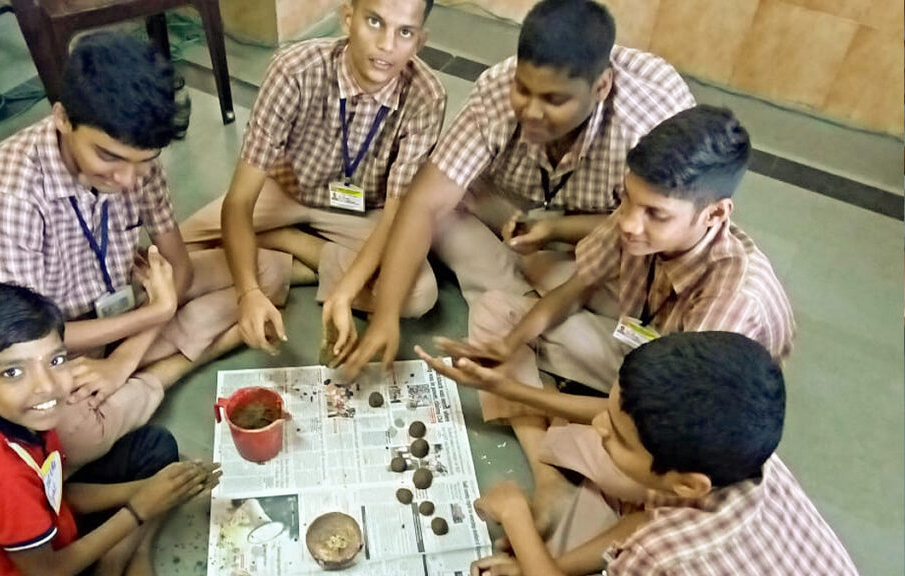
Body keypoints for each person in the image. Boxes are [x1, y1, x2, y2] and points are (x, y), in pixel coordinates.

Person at [428, 105, 796, 530]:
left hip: (673, 421)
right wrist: (509, 346)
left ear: (715, 215)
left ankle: (565, 440)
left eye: (655, 213)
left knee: (635, 474)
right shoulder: (633, 223)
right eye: (626, 201)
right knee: (497, 310)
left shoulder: (733, 301)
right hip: (639, 360)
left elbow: (652, 419)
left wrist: (513, 389)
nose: (629, 225)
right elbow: (572, 290)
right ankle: (550, 478)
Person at [343, 0, 695, 376]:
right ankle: (525, 307)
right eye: (523, 90)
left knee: (634, 289)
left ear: (601, 87)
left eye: (554, 100)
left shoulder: (648, 126)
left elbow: (663, 229)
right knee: (442, 215)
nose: (531, 111)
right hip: (509, 203)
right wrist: (385, 317)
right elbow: (425, 202)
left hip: (612, 226)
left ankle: (522, 309)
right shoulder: (498, 89)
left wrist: (559, 230)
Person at [0, 32, 254, 468]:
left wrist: (125, 356)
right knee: (71, 437)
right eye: (108, 157)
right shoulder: (7, 196)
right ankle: (171, 367)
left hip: (128, 302)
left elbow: (179, 266)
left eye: (145, 161)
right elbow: (28, 337)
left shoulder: (134, 160)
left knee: (263, 274)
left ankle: (139, 368)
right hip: (55, 342)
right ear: (62, 119)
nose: (129, 180)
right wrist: (155, 314)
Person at [421, 331, 858, 575]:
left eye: (619, 437)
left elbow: (653, 538)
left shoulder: (668, 559)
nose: (596, 427)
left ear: (686, 482)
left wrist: (517, 519)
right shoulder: (744, 460)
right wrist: (546, 563)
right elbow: (650, 518)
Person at [180, 0, 445, 363]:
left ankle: (289, 247)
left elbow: (397, 217)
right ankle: (297, 256)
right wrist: (249, 293)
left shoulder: (427, 96)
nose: (387, 44)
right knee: (179, 248)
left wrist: (347, 293)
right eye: (374, 22)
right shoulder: (293, 70)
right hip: (287, 190)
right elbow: (241, 201)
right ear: (347, 18)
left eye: (404, 32)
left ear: (420, 41)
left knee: (419, 294)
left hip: (364, 209)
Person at [0, 283, 221, 576]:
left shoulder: (26, 420)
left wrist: (147, 489)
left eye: (56, 360)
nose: (47, 386)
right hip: (44, 567)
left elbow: (58, 495)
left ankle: (119, 559)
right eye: (13, 372)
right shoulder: (0, 479)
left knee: (155, 448)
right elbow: (51, 570)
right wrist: (139, 508)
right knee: (156, 488)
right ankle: (117, 562)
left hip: (45, 531)